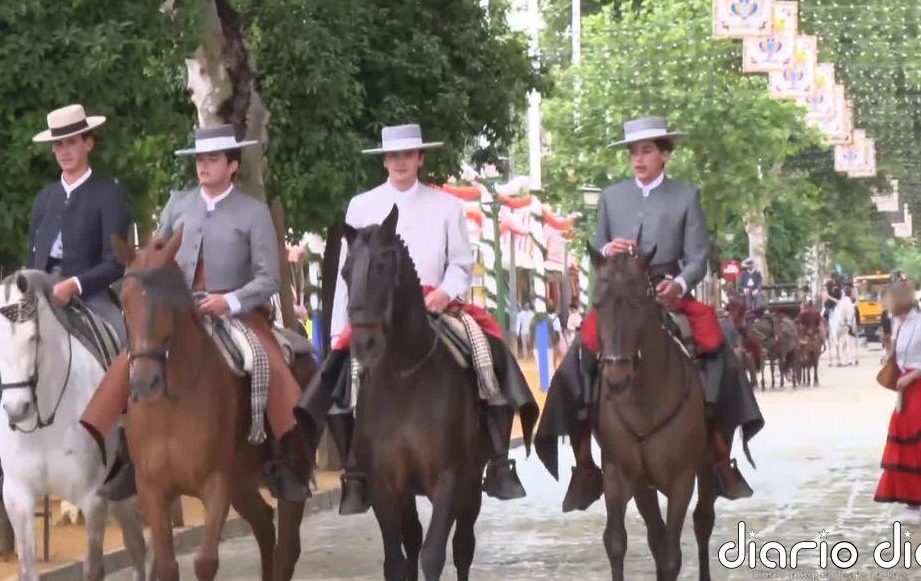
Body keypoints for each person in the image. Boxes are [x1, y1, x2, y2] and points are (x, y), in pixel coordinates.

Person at [298, 123, 538, 514]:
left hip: (434, 304)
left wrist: (446, 292)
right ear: (385, 161)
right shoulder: (361, 206)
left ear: (420, 158)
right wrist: (344, 325)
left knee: (486, 355)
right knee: (338, 375)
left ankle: (498, 460)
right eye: (393, 156)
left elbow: (461, 262)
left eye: (408, 155)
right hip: (375, 311)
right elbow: (349, 272)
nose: (400, 162)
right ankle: (354, 473)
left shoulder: (446, 206)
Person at [539, 116, 763, 512]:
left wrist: (679, 284)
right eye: (633, 152)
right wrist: (608, 251)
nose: (638, 159)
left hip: (665, 291)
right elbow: (599, 249)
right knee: (579, 355)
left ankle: (720, 451)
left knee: (718, 347)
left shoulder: (686, 196)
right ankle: (584, 461)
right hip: (621, 296)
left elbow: (697, 259)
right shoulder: (612, 197)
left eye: (646, 151)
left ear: (665, 154)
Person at [140, 125, 310, 501]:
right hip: (178, 312)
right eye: (200, 159)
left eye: (213, 159)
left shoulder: (253, 212)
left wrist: (229, 301)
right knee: (134, 357)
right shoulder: (177, 204)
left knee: (265, 360)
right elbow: (155, 256)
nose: (204, 166)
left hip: (236, 313)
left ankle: (282, 455)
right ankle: (123, 448)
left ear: (233, 166)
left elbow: (268, 278)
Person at [0, 103, 132, 502]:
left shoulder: (109, 193)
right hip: (39, 296)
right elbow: (32, 256)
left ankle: (127, 457)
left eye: (71, 142)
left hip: (91, 294)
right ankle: (1, 463)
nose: (64, 151)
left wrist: (76, 285)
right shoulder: (45, 197)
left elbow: (116, 261)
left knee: (129, 353)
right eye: (58, 145)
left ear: (88, 143)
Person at [875, 280, 921, 524]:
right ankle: (912, 501)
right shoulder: (898, 324)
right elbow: (901, 357)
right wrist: (889, 350)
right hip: (905, 389)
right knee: (904, 442)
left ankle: (919, 501)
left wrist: (915, 374)